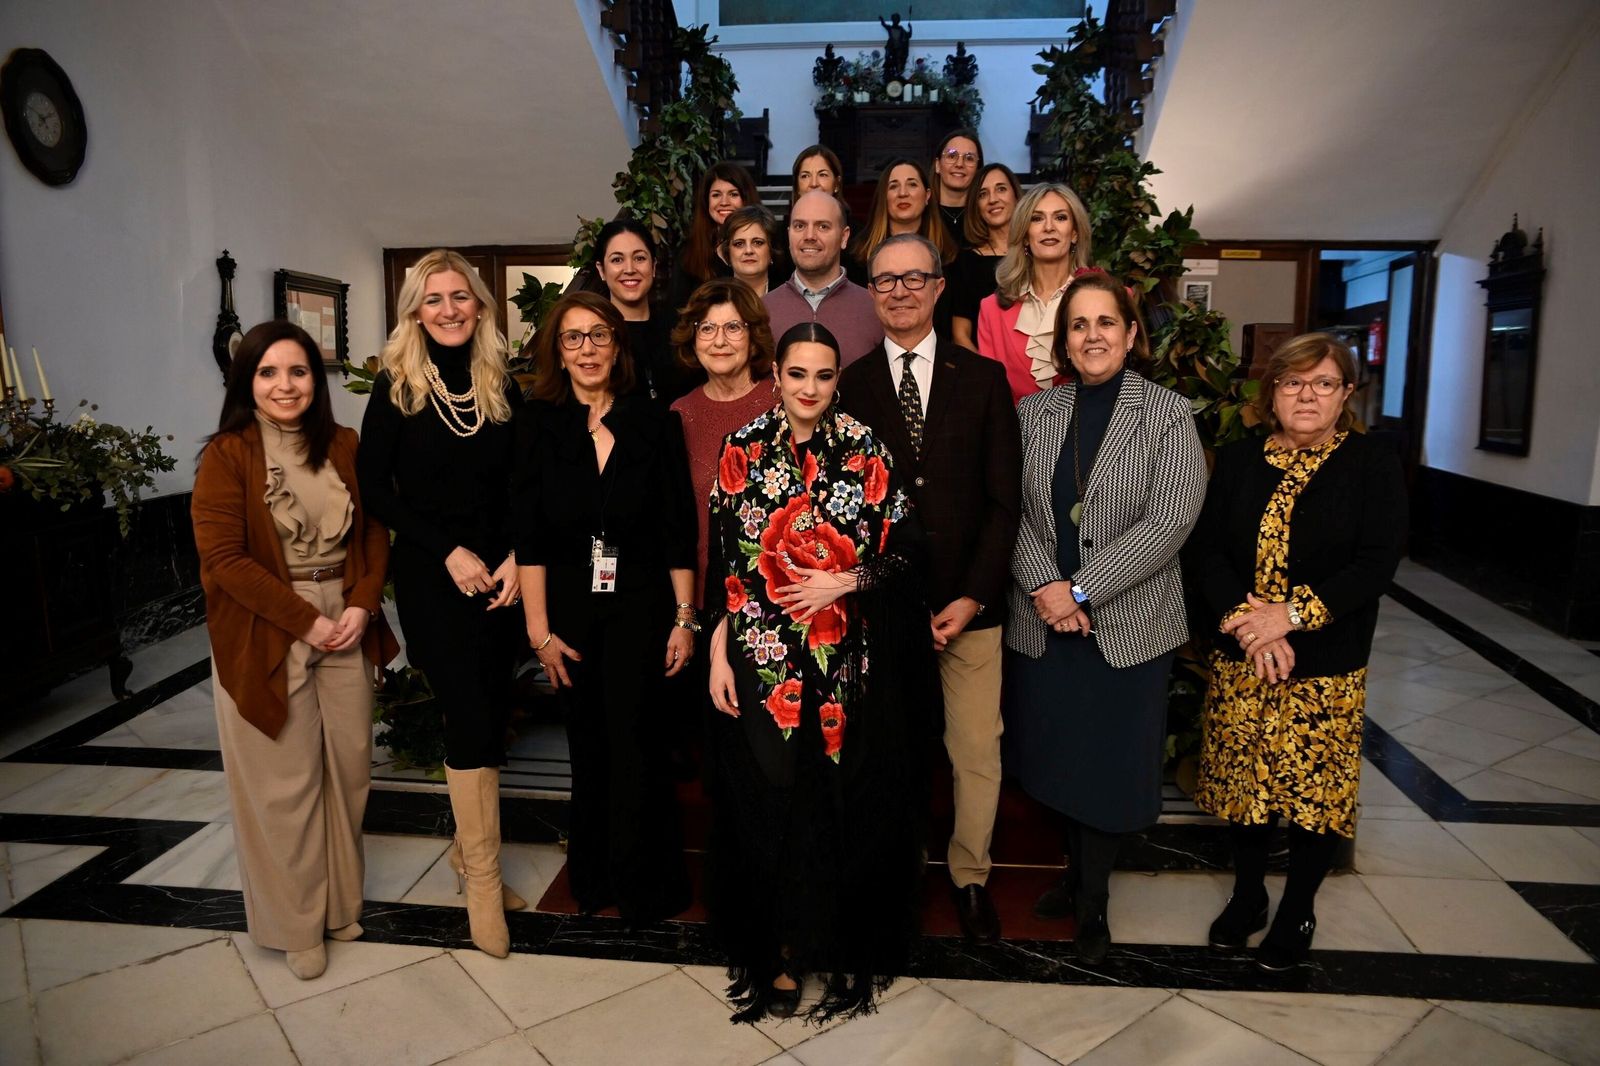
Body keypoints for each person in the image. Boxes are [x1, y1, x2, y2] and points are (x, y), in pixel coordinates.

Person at [704, 321, 931, 1022]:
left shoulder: (864, 448)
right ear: (775, 372)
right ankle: (773, 948)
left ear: (838, 380)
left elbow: (909, 552)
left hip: (842, 666)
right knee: (768, 804)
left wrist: (846, 581)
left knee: (829, 805)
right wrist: (717, 646)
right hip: (762, 664)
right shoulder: (740, 448)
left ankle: (818, 943)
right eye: (797, 373)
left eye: (823, 376)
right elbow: (728, 565)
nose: (809, 388)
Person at [1188, 333, 1406, 971]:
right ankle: (1249, 895)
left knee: (1315, 793)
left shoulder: (1372, 465)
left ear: (1346, 394)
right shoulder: (1236, 460)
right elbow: (1207, 553)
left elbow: (1375, 564)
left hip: (1326, 661)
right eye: (1292, 383)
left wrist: (1290, 615)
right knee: (1246, 786)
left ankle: (1298, 907)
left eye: (1324, 383)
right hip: (1245, 654)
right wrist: (1249, 624)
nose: (1307, 395)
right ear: (1271, 393)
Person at [1004, 272, 1206, 963]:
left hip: (1127, 627)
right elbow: (1016, 515)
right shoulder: (1034, 415)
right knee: (1056, 756)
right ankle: (1074, 876)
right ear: (1063, 340)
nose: (1093, 336)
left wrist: (1082, 591)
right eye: (1079, 325)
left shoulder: (1168, 413)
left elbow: (1170, 521)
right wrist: (1047, 590)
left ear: (1130, 333)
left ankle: (1094, 903)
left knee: (1109, 764)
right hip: (1043, 622)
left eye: (1106, 323)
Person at [194, 320, 398, 980]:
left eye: (299, 371)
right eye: (269, 372)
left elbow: (371, 530)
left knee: (347, 768)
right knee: (284, 783)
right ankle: (296, 923)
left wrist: (364, 603)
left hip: (347, 616)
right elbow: (224, 559)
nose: (286, 385)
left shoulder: (342, 442)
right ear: (246, 382)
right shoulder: (227, 454)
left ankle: (340, 902)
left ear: (317, 379)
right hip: (267, 625)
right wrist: (304, 623)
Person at [840, 235, 1020, 944]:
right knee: (893, 750)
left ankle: (969, 878)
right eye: (885, 281)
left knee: (976, 751)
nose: (901, 291)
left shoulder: (982, 380)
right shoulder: (849, 386)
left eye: (915, 278)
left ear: (941, 287)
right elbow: (841, 510)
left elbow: (1006, 504)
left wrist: (972, 596)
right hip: (885, 611)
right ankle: (898, 869)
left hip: (970, 609)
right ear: (871, 292)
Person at [357, 249, 526, 958]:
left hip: (504, 579)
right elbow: (377, 488)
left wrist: (518, 553)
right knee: (467, 708)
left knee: (491, 704)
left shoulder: (501, 381)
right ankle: (484, 882)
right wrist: (447, 552)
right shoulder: (395, 386)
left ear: (481, 307)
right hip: (435, 576)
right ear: (415, 312)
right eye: (434, 299)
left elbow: (527, 480)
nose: (450, 309)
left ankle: (466, 852)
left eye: (461, 297)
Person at [515, 291, 695, 924]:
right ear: (557, 353)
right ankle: (595, 880)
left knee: (640, 747)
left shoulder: (655, 420)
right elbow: (530, 537)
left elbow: (678, 529)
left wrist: (685, 618)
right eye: (573, 339)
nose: (587, 349)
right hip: (568, 617)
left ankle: (649, 887)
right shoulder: (537, 425)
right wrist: (538, 631)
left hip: (643, 612)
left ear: (618, 346)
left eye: (599, 336)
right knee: (588, 750)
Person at [669, 278, 779, 601]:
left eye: (733, 327)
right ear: (693, 338)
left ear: (753, 335)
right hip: (705, 595)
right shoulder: (680, 413)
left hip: (776, 596)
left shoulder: (782, 400)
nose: (719, 341)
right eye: (706, 328)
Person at [976, 183, 1094, 404]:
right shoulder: (991, 310)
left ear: (1075, 233)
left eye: (1060, 218)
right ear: (1024, 236)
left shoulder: (1104, 299)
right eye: (1037, 219)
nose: (1049, 227)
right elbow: (991, 395)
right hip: (1016, 433)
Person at [765, 190, 884, 367]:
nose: (809, 236)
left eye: (823, 226)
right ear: (789, 234)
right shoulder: (761, 309)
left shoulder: (876, 307)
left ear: (844, 237)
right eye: (800, 226)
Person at [593, 218, 691, 403]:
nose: (629, 269)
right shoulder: (592, 337)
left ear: (653, 266)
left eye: (639, 258)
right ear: (602, 270)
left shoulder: (679, 331)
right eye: (617, 260)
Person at [949, 163, 1021, 352]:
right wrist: (987, 376)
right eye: (983, 194)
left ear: (1015, 195)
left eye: (1001, 189)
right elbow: (960, 334)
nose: (993, 199)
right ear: (976, 206)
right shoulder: (966, 262)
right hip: (986, 370)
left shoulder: (1037, 252)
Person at [849, 158, 957, 276]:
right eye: (893, 186)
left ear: (927, 196)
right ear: (884, 197)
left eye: (912, 185)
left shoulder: (949, 255)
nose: (903, 193)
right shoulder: (858, 254)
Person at [675, 161, 761, 308]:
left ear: (746, 198)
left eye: (733, 194)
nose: (724, 202)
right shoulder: (689, 251)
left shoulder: (764, 246)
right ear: (706, 201)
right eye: (716, 195)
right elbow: (675, 310)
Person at [716, 205, 785, 298]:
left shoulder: (789, 298)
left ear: (772, 250)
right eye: (739, 244)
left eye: (757, 242)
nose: (748, 251)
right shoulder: (712, 300)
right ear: (728, 252)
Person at [931, 128, 983, 245]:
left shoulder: (986, 216)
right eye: (951, 156)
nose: (959, 164)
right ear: (938, 165)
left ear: (978, 169)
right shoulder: (921, 213)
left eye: (969, 158)